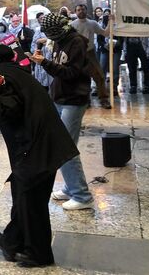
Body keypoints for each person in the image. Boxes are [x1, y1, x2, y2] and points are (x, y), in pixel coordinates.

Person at [0, 42, 80, 268]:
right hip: (40, 143)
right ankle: (12, 242)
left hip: (36, 146)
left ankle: (38, 254)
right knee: (23, 193)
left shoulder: (4, 76)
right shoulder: (13, 71)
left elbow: (10, 110)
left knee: (31, 200)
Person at [28, 13, 95, 211]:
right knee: (62, 145)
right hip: (59, 98)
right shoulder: (58, 41)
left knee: (65, 147)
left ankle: (82, 195)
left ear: (58, 30)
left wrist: (44, 63)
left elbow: (71, 73)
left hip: (74, 100)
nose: (48, 36)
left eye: (50, 32)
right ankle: (71, 187)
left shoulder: (77, 43)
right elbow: (58, 70)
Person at [70, 4, 112, 109]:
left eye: (83, 9)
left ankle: (103, 99)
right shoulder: (71, 25)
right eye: (78, 10)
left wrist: (111, 21)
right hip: (77, 54)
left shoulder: (92, 23)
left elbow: (105, 33)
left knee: (100, 76)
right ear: (75, 12)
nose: (81, 11)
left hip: (90, 52)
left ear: (86, 10)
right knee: (81, 78)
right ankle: (85, 100)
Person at [30, 12, 54, 90]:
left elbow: (54, 44)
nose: (43, 20)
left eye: (44, 18)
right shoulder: (38, 30)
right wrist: (38, 48)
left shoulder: (54, 30)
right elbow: (34, 45)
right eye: (41, 18)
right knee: (43, 82)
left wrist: (47, 41)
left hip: (52, 58)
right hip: (42, 57)